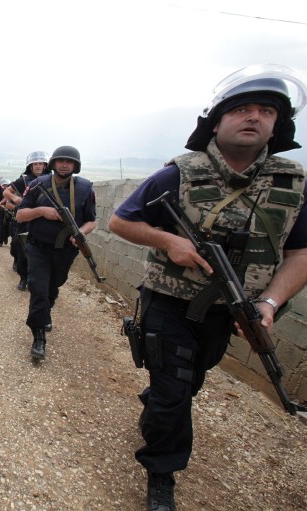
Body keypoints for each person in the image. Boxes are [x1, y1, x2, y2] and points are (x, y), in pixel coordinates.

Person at [108, 64, 307, 511]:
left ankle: (160, 405)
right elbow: (121, 221)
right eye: (241, 109)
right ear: (216, 122)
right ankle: (162, 471)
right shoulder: (179, 173)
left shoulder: (293, 183)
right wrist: (169, 241)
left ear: (279, 125)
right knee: (174, 391)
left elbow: (300, 254)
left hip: (233, 311)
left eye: (266, 111)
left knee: (189, 382)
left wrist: (270, 302)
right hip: (169, 303)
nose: (253, 117)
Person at [15, 146, 97, 361]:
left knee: (53, 287)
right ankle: (38, 336)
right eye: (60, 161)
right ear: (52, 164)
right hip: (38, 248)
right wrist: (41, 211)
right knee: (38, 289)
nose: (64, 165)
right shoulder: (37, 185)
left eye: (69, 162)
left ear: (75, 165)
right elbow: (20, 215)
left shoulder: (85, 189)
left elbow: (91, 220)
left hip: (65, 251)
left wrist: (81, 232)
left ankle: (45, 311)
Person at [5, 151, 50, 290]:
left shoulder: (51, 180)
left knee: (42, 253)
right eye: (35, 164)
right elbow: (6, 192)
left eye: (40, 163)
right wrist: (15, 198)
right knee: (23, 252)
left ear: (45, 165)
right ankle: (23, 278)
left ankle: (39, 280)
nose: (38, 166)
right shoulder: (24, 181)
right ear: (31, 166)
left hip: (43, 222)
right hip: (24, 222)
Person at [0, 178, 13, 247]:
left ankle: (6, 238)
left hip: (11, 213)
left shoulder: (12, 193)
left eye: (7, 185)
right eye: (4, 185)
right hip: (1, 213)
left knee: (10, 227)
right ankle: (0, 241)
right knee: (1, 227)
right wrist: (0, 205)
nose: (5, 187)